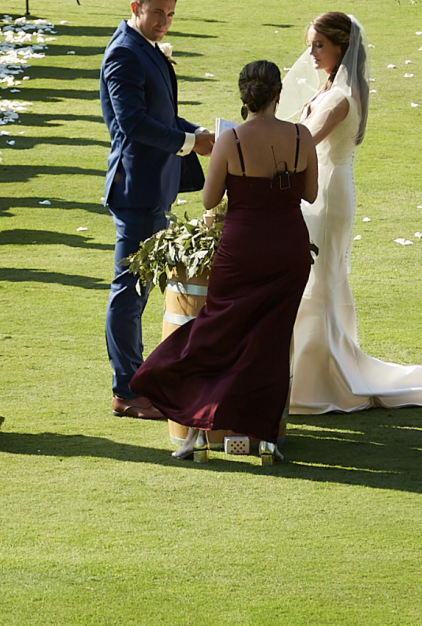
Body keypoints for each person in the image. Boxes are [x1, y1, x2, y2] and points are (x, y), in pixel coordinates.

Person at [284, 11, 422, 412]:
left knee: (321, 277)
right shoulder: (331, 87)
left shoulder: (339, 97)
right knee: (316, 276)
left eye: (320, 44)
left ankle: (321, 380)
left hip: (329, 193)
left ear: (341, 47)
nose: (312, 52)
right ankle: (307, 372)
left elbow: (304, 142)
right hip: (320, 189)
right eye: (310, 44)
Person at [132, 60, 317, 460]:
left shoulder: (232, 141)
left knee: (215, 335)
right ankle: (264, 435)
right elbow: (312, 194)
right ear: (278, 95)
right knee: (270, 341)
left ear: (244, 98)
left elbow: (209, 199)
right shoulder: (302, 136)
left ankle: (195, 427)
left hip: (243, 248)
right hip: (288, 248)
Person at [101, 0, 214, 421]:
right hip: (136, 188)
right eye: (157, 14)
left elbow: (160, 112)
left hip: (153, 186)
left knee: (139, 290)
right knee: (129, 292)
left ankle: (136, 381)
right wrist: (189, 142)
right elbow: (132, 124)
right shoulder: (125, 53)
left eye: (170, 15)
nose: (165, 23)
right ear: (135, 7)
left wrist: (198, 133)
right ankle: (126, 391)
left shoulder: (143, 46)